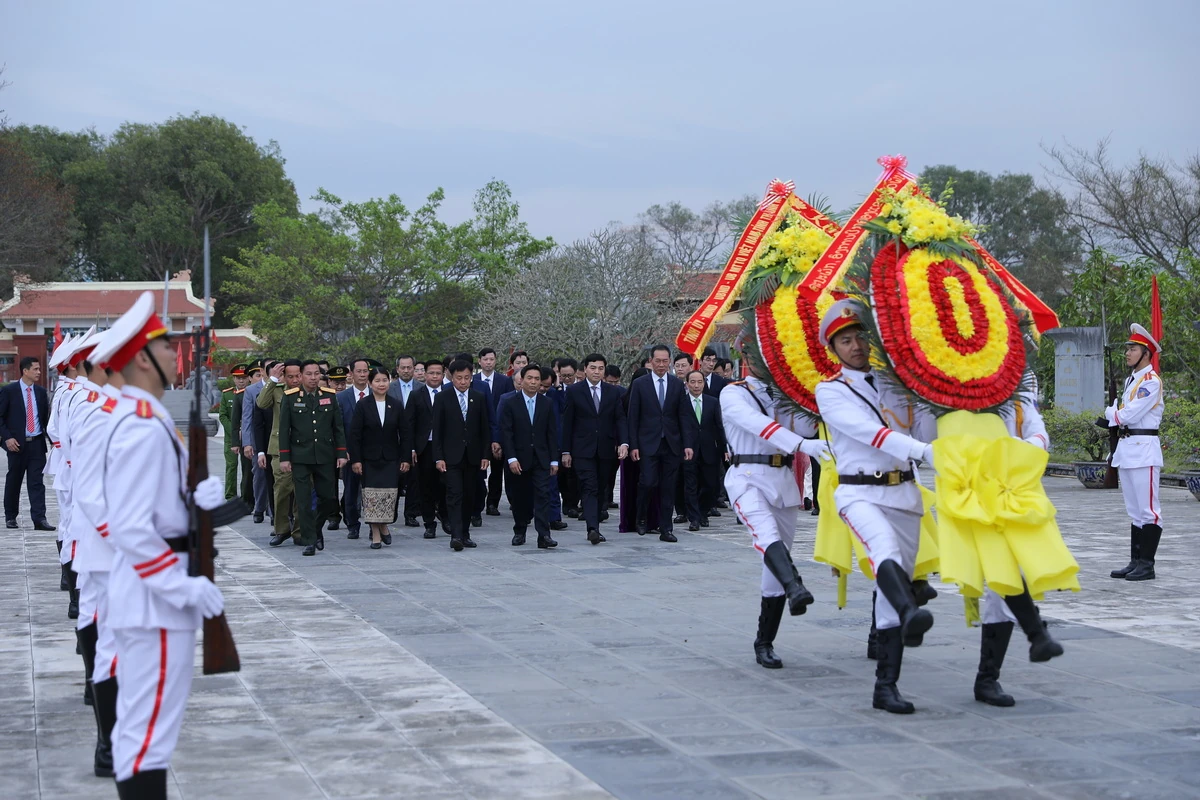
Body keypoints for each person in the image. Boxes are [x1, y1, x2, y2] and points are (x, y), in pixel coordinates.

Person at [90, 291, 226, 798]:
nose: (175, 353)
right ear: (143, 359)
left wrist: (193, 497)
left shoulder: (143, 418)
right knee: (148, 739)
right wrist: (179, 586)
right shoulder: (142, 426)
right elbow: (130, 527)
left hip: (148, 599)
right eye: (166, 345)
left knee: (140, 732)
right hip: (155, 604)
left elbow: (150, 502)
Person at [814, 300, 939, 714]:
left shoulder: (894, 382)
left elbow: (925, 431)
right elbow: (870, 433)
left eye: (859, 337)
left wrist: (925, 394)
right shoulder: (830, 391)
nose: (855, 346)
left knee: (890, 587)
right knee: (883, 551)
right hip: (860, 493)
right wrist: (923, 452)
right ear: (833, 348)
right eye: (845, 341)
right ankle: (909, 608)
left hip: (904, 494)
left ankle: (886, 687)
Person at [722, 353, 828, 672]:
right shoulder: (734, 392)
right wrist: (802, 445)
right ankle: (795, 585)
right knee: (766, 536)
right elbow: (759, 426)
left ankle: (764, 641)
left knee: (774, 571)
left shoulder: (784, 392)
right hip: (747, 476)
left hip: (782, 479)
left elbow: (806, 426)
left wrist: (809, 396)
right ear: (745, 356)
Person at [68, 331, 122, 778]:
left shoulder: (132, 413)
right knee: (110, 637)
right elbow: (88, 489)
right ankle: (109, 742)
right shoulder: (101, 415)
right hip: (111, 547)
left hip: (128, 546)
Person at [1104, 323, 1165, 582]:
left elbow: (1125, 415)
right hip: (1128, 449)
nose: (1127, 353)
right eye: (1128, 348)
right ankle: (1136, 561)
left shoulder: (1151, 382)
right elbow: (1122, 415)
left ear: (1146, 353)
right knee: (1135, 511)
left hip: (1144, 451)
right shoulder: (1133, 380)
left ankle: (1147, 565)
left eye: (1133, 349)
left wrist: (1111, 413)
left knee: (1149, 511)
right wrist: (1115, 415)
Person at [278, 360, 348, 556]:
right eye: (309, 374)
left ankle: (316, 529)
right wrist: (284, 457)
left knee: (328, 498)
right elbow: (284, 429)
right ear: (301, 376)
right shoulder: (291, 397)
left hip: (325, 455)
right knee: (304, 501)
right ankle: (309, 540)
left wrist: (341, 453)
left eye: (316, 373)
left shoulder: (329, 396)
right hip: (300, 456)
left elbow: (338, 428)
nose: (313, 378)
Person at [627, 344, 693, 542]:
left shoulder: (677, 384)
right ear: (651, 361)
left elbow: (683, 416)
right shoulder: (640, 384)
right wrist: (633, 445)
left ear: (670, 362)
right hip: (647, 443)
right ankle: (641, 517)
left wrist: (687, 444)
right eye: (658, 361)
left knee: (668, 487)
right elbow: (633, 417)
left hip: (672, 443)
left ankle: (666, 528)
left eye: (665, 361)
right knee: (648, 482)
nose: (662, 365)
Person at [562, 353, 629, 544]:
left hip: (606, 448)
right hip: (582, 449)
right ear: (585, 369)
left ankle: (596, 522)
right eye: (593, 368)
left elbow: (620, 419)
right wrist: (566, 451)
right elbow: (567, 422)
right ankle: (592, 528)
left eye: (600, 368)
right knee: (589, 486)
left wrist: (624, 442)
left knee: (601, 488)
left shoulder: (613, 392)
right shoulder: (574, 391)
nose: (596, 372)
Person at [349, 367, 411, 549]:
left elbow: (405, 434)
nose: (381, 384)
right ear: (370, 383)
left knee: (387, 496)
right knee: (372, 497)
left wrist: (406, 458)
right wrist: (356, 460)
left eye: (384, 380)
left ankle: (384, 525)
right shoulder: (363, 405)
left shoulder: (396, 404)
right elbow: (354, 435)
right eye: (377, 381)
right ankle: (376, 534)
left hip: (391, 458)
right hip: (369, 459)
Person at [499, 364, 560, 548]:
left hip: (541, 458)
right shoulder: (510, 402)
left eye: (536, 379)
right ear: (522, 380)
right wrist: (511, 458)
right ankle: (520, 530)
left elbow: (552, 433)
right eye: (530, 378)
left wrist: (554, 459)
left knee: (543, 495)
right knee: (521, 498)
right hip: (518, 458)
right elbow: (506, 433)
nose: (533, 382)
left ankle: (544, 535)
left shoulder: (547, 403)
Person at [432, 359, 490, 551]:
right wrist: (438, 457)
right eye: (459, 378)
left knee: (469, 495)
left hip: (472, 456)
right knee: (454, 494)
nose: (463, 382)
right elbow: (437, 430)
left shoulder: (478, 397)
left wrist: (485, 455)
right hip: (451, 456)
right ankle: (456, 535)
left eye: (467, 378)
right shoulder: (443, 397)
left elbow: (484, 428)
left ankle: (465, 533)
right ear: (452, 377)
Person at [2, 355, 53, 530]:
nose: (39, 372)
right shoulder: (9, 391)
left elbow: (45, 419)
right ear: (25, 371)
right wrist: (7, 438)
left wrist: (52, 441)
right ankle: (10, 517)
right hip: (16, 445)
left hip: (37, 444)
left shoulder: (41, 392)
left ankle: (39, 519)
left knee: (37, 483)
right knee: (14, 481)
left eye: (39, 369)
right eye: (35, 369)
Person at [260, 360, 304, 545]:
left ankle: (299, 531)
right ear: (284, 377)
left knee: (302, 492)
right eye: (290, 376)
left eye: (298, 376)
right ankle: (282, 529)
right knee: (282, 490)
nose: (295, 380)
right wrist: (272, 379)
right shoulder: (277, 390)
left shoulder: (309, 391)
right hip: (279, 448)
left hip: (304, 449)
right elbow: (261, 403)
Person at [681, 370, 727, 530]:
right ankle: (694, 518)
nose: (696, 385)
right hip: (688, 450)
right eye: (692, 382)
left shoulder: (712, 402)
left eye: (699, 382)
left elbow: (719, 426)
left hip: (709, 449)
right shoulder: (681, 402)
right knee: (690, 485)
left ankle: (703, 512)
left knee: (710, 484)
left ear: (704, 383)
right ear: (687, 384)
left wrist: (724, 447)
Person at [409, 361, 448, 539]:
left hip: (446, 447)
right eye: (431, 373)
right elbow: (409, 424)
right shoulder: (416, 395)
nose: (434, 376)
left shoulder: (449, 393)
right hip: (424, 447)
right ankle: (429, 523)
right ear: (425, 374)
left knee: (445, 484)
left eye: (438, 373)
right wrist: (411, 448)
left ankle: (445, 517)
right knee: (426, 486)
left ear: (443, 375)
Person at [474, 347, 514, 518]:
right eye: (485, 359)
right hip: (479, 432)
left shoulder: (504, 381)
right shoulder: (473, 380)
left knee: (497, 470)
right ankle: (476, 502)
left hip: (499, 430)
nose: (489, 362)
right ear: (479, 361)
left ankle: (492, 503)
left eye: (491, 359)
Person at [337, 358, 372, 540]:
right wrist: (342, 449)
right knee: (350, 490)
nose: (362, 374)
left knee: (372, 490)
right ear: (351, 373)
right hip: (350, 452)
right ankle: (352, 524)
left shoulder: (377, 393)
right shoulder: (342, 397)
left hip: (373, 452)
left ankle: (375, 525)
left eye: (365, 371)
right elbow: (338, 427)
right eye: (359, 371)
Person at [241, 361, 270, 523]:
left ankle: (273, 510)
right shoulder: (251, 390)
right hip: (257, 439)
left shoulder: (282, 388)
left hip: (275, 438)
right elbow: (246, 418)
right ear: (262, 371)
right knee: (259, 475)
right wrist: (247, 443)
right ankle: (259, 507)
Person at [219, 364, 249, 499]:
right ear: (233, 379)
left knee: (247, 469)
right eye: (238, 378)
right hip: (231, 438)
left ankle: (246, 496)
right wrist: (235, 432)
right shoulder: (227, 394)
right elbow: (223, 416)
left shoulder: (252, 392)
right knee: (231, 466)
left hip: (248, 437)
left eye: (244, 378)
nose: (241, 381)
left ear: (249, 378)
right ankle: (230, 495)